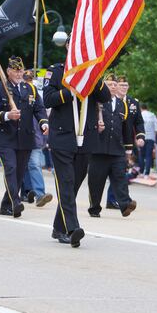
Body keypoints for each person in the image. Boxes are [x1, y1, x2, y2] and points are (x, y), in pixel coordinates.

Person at [43, 54, 112, 247]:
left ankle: (58, 227)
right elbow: (47, 99)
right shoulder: (56, 71)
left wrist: (95, 77)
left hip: (86, 139)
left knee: (72, 187)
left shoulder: (91, 73)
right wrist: (69, 91)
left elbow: (105, 97)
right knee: (66, 182)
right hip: (63, 137)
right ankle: (72, 229)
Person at [0, 56, 48, 218]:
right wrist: (7, 115)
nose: (19, 73)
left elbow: (39, 108)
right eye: (15, 70)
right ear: (8, 71)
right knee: (11, 168)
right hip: (5, 138)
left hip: (25, 138)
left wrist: (43, 123)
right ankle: (16, 202)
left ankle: (5, 205)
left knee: (19, 173)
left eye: (21, 70)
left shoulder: (30, 89)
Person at [87, 73, 138, 218]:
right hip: (98, 148)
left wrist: (128, 149)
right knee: (96, 181)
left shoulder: (122, 104)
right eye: (110, 85)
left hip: (116, 149)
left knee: (120, 178)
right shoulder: (96, 102)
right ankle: (94, 207)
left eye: (115, 85)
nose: (113, 87)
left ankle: (125, 205)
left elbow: (126, 129)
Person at [21, 69, 53, 207]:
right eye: (27, 80)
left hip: (34, 137)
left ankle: (40, 194)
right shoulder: (16, 92)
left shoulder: (37, 95)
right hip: (18, 136)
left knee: (34, 165)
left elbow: (42, 115)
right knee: (18, 167)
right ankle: (16, 193)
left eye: (31, 80)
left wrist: (44, 137)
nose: (29, 82)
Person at [139, 103, 157, 176]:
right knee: (148, 155)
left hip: (142, 137)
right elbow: (156, 129)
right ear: (147, 108)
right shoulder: (152, 115)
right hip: (151, 137)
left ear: (141, 108)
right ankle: (147, 173)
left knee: (141, 155)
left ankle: (141, 171)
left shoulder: (140, 115)